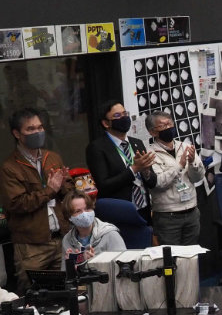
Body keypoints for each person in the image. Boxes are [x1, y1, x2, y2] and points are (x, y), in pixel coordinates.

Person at [0, 107, 75, 290]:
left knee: (66, 291)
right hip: (31, 246)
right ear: (17, 133)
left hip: (61, 238)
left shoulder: (52, 157)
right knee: (33, 295)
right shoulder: (9, 168)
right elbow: (17, 203)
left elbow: (69, 191)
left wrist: (63, 184)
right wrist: (50, 190)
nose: (38, 132)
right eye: (30, 129)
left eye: (40, 127)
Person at [85, 100, 157, 223]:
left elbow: (152, 182)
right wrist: (134, 169)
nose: (124, 118)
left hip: (143, 210)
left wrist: (146, 171)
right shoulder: (97, 148)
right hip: (119, 214)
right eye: (117, 116)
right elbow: (104, 186)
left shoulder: (136, 143)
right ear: (106, 123)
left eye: (125, 114)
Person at [144, 111, 205, 245]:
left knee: (192, 256)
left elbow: (198, 177)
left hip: (192, 212)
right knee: (171, 259)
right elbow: (159, 183)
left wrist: (193, 162)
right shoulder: (149, 154)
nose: (168, 128)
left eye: (170, 123)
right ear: (153, 132)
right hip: (167, 216)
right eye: (163, 126)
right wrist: (180, 165)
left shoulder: (185, 146)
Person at [60, 190, 126, 268]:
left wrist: (95, 264)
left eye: (87, 209)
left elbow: (123, 268)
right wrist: (70, 267)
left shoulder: (110, 234)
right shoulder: (67, 240)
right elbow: (65, 276)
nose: (84, 214)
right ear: (69, 217)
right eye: (78, 211)